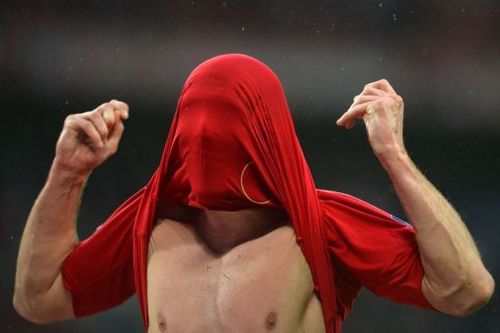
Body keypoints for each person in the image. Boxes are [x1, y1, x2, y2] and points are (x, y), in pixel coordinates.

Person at [14, 54, 494, 333]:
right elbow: (39, 300)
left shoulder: (322, 224)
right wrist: (68, 173)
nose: (207, 139)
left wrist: (394, 154)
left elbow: (465, 290)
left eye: (228, 124)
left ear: (266, 135)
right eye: (196, 122)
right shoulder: (150, 223)